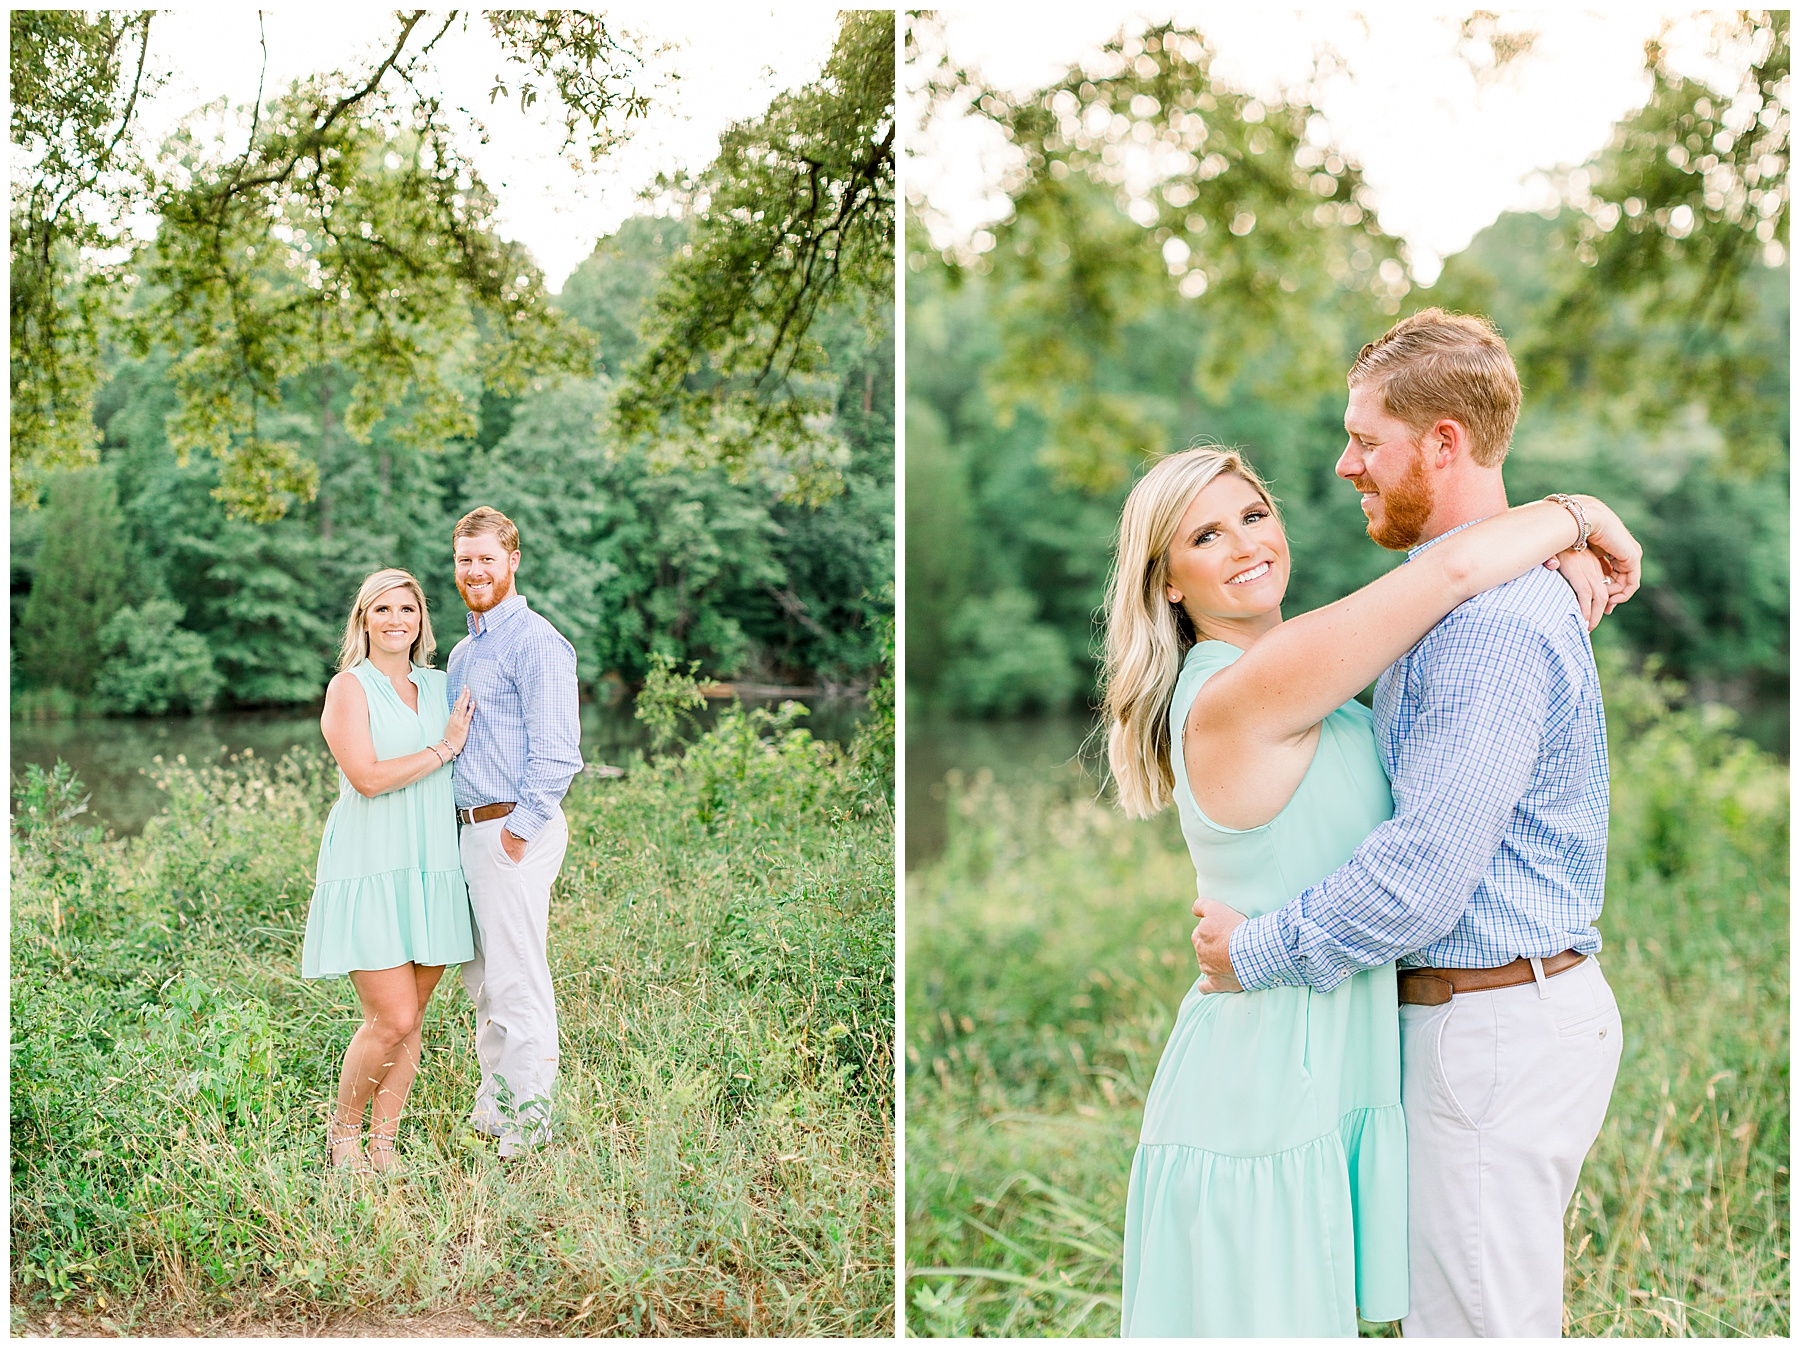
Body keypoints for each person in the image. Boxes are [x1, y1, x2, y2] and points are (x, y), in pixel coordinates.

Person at [1104, 435, 1640, 1332]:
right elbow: (1450, 575)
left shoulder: (1311, 680)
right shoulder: (1244, 689)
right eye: (1205, 537)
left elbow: (1462, 623)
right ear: (1165, 582)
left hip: (1333, 1059)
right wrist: (1582, 517)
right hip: (1263, 1084)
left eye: (1253, 515)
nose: (1244, 545)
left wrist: (1557, 564)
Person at [303, 568, 476, 1173]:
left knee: (414, 1020)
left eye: (407, 609)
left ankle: (384, 1143)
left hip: (431, 862)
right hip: (372, 861)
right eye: (383, 610)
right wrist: (443, 749)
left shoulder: (440, 684)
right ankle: (344, 1136)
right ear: (363, 620)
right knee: (390, 1016)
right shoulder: (349, 688)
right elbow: (368, 779)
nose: (396, 620)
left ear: (422, 619)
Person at [447, 506, 583, 1159]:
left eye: (486, 559)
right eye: (464, 559)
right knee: (484, 981)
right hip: (471, 832)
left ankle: (532, 1123)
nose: (474, 571)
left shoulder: (536, 642)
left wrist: (517, 834)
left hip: (512, 831)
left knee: (519, 977)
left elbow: (558, 753)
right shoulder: (465, 651)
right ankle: (495, 1107)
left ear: (512, 562)